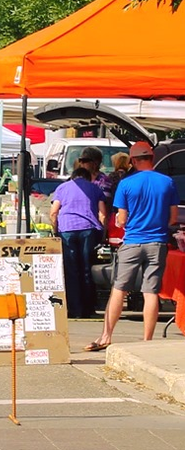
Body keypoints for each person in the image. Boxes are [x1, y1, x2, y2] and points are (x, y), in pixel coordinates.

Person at [86, 142, 179, 351]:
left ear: (133, 160)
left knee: (119, 289)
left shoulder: (127, 184)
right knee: (151, 291)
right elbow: (173, 218)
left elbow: (122, 219)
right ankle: (147, 341)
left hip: (133, 241)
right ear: (152, 158)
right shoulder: (167, 182)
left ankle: (105, 336)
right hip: (157, 242)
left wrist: (122, 222)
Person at [50, 167, 107, 318]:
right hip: (88, 230)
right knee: (87, 269)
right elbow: (102, 214)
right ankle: (88, 309)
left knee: (71, 271)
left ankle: (74, 310)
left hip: (66, 230)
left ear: (72, 177)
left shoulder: (61, 188)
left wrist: (55, 231)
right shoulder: (95, 188)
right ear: (88, 178)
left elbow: (54, 212)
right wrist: (102, 233)